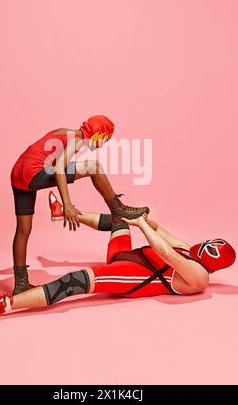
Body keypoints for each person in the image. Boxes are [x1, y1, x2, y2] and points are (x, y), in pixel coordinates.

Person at [0, 206, 236, 321]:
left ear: (217, 263)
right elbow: (159, 229)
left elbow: (165, 251)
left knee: (75, 282)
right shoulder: (191, 250)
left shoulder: (199, 275)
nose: (207, 245)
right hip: (129, 256)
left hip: (134, 276)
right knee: (119, 219)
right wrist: (139, 215)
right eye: (212, 242)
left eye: (214, 249)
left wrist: (141, 223)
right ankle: (64, 211)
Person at [10, 115, 149, 294]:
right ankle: (117, 209)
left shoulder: (65, 132)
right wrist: (67, 204)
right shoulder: (78, 140)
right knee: (95, 167)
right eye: (104, 141)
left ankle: (20, 285)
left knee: (23, 230)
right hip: (33, 173)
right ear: (98, 134)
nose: (102, 145)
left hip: (17, 175)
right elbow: (60, 167)